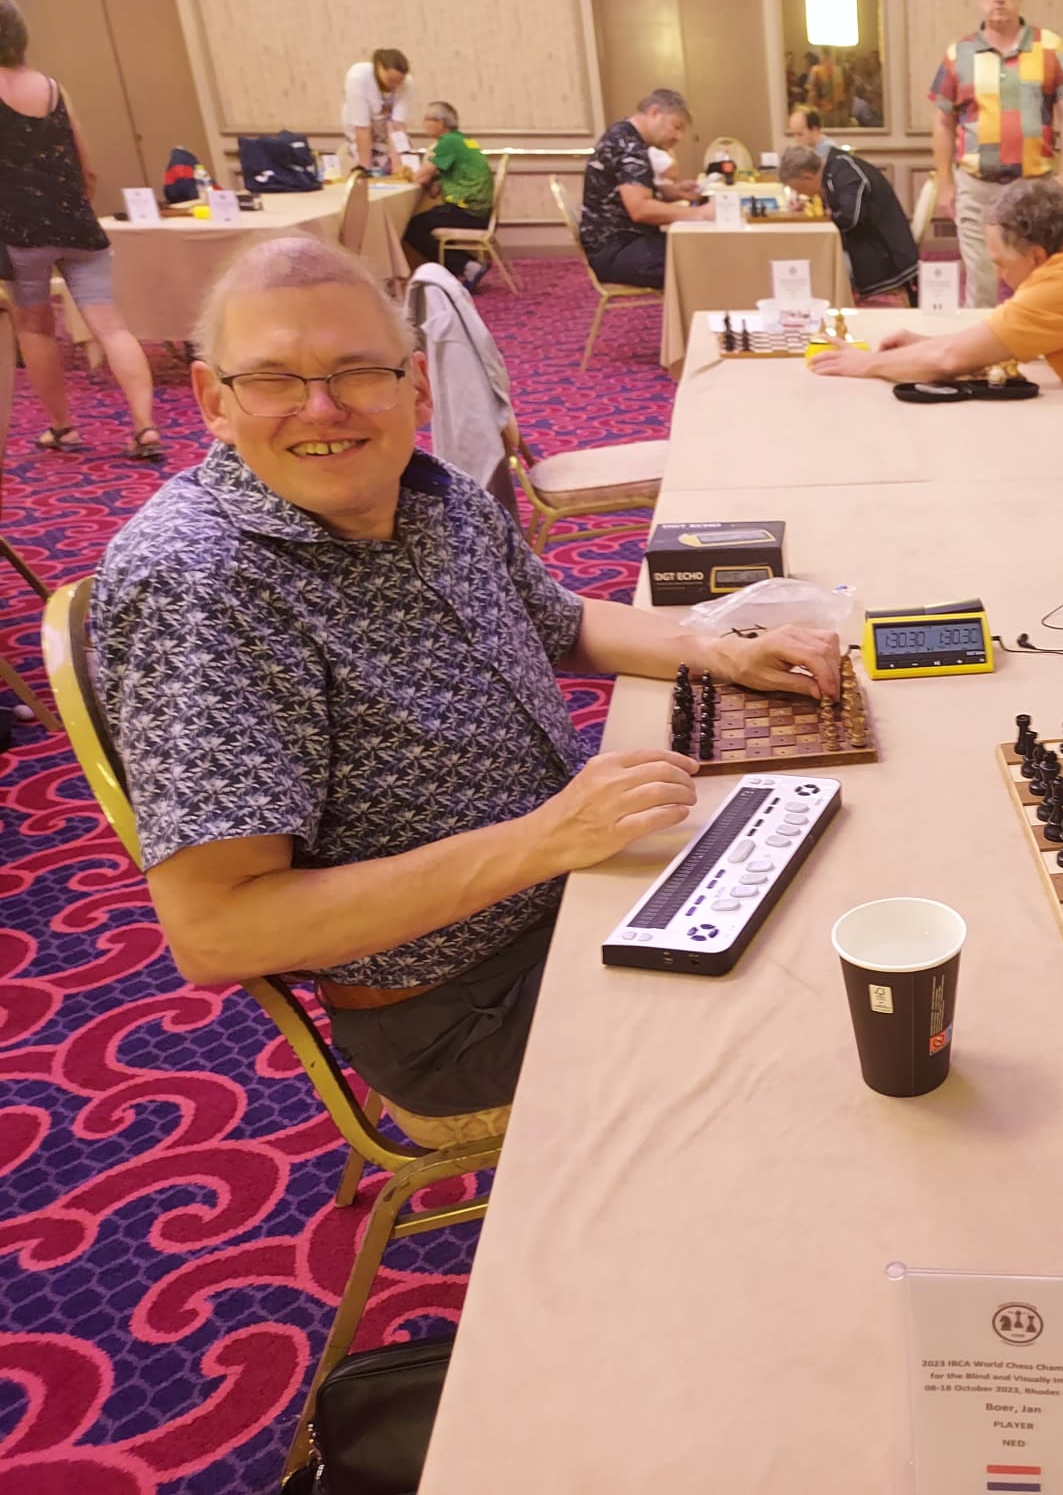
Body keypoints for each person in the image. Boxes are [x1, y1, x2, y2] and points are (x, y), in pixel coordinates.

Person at [92, 235, 840, 1118]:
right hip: (459, 1004)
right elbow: (217, 931)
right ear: (213, 401)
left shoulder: (429, 491)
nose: (322, 409)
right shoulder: (202, 586)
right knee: (812, 1026)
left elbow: (559, 621)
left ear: (416, 383)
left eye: (356, 372)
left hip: (576, 887)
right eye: (273, 380)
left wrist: (717, 646)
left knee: (844, 874)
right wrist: (548, 839)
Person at [809, 179, 1063, 475]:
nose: (1001, 277)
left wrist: (863, 364)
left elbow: (952, 359)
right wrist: (927, 344)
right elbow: (981, 342)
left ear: (1037, 254)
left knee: (984, 463)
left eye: (1002, 263)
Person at [0, 0, 159, 460]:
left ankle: (63, 428)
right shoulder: (52, 88)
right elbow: (84, 161)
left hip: (19, 231)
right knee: (112, 327)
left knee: (35, 329)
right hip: (77, 222)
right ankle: (146, 427)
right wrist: (76, 207)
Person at [930, 0, 1063, 310]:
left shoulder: (1050, 46)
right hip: (976, 186)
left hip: (1034, 187)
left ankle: (1038, 352)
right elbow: (943, 122)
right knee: (981, 283)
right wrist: (945, 184)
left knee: (1039, 279)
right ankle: (980, 355)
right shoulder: (958, 53)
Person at [579, 89, 712, 289]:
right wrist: (699, 213)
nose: (679, 136)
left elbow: (622, 194)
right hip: (617, 249)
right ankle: (692, 320)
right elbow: (640, 209)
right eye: (676, 127)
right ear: (655, 112)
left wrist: (672, 193)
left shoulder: (624, 136)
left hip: (620, 243)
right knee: (703, 262)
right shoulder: (629, 146)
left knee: (699, 249)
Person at [778, 145, 919, 303]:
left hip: (886, 255)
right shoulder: (835, 170)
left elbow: (851, 217)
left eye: (799, 189)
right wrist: (815, 206)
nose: (801, 194)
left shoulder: (846, 172)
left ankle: (834, 308)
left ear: (808, 177)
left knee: (822, 268)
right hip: (869, 246)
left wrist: (827, 214)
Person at [401, 101, 494, 288]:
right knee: (427, 221)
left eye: (428, 119)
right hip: (481, 210)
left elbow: (420, 177)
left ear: (440, 122)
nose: (424, 123)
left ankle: (467, 266)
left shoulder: (447, 143)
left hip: (470, 211)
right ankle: (465, 266)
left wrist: (404, 176)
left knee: (413, 228)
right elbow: (435, 189)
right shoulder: (461, 140)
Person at [342, 48, 411, 175]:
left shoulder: (407, 83)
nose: (394, 86)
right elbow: (362, 128)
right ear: (379, 67)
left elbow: (396, 126)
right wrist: (364, 169)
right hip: (358, 136)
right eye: (391, 80)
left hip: (383, 138)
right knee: (363, 171)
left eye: (398, 82)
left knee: (395, 169)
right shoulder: (358, 77)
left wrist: (398, 169)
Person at [806, 49, 850, 128]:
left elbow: (811, 93)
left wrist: (811, 111)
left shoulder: (816, 70)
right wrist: (849, 112)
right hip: (842, 112)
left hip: (824, 113)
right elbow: (850, 92)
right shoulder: (842, 69)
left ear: (822, 54)